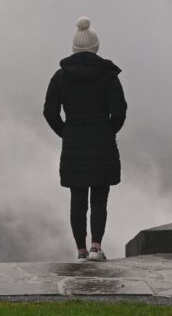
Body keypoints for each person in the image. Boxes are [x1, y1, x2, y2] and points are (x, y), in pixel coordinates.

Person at [43, 17, 127, 260]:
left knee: (77, 197)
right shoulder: (109, 75)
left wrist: (66, 132)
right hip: (102, 141)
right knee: (100, 196)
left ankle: (80, 251)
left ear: (74, 48)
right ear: (95, 47)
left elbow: (49, 111)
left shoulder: (60, 77)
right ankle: (96, 247)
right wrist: (108, 130)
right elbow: (120, 111)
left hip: (74, 144)